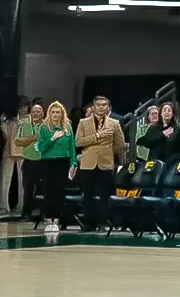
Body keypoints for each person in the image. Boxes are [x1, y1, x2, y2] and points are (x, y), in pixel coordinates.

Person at [73, 96, 126, 229]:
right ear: (94, 107)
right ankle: (88, 222)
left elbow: (120, 144)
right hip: (88, 162)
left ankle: (103, 222)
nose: (102, 107)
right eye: (99, 105)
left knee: (104, 194)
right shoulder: (83, 123)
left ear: (108, 107)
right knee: (87, 194)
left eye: (104, 105)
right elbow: (78, 142)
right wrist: (97, 136)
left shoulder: (115, 123)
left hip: (106, 162)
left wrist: (107, 151)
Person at [32, 102, 75, 233]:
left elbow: (72, 147)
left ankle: (56, 220)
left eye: (58, 112)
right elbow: (40, 147)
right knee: (48, 192)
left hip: (62, 162)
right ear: (49, 114)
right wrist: (52, 138)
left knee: (59, 192)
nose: (55, 115)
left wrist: (73, 164)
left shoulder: (67, 128)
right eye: (53, 112)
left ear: (62, 114)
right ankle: (48, 219)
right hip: (47, 163)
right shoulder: (44, 128)